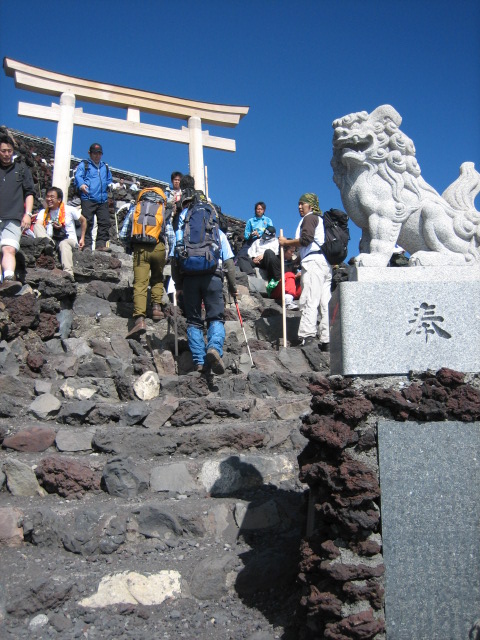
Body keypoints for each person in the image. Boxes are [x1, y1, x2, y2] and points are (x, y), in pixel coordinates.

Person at [171, 175, 237, 374]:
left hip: (189, 276)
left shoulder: (183, 223)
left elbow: (175, 256)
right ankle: (214, 349)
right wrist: (233, 288)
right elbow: (229, 263)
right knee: (215, 317)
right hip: (213, 276)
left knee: (193, 320)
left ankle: (199, 360)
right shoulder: (217, 229)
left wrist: (178, 284)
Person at [278, 193, 332, 350]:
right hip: (324, 264)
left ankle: (307, 336)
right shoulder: (320, 221)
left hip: (313, 263)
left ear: (311, 205)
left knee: (309, 299)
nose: (299, 207)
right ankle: (326, 339)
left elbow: (306, 240)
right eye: (299, 204)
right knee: (324, 302)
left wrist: (286, 242)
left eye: (303, 203)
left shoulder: (310, 218)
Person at [0, 133, 35, 295]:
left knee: (9, 248)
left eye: (9, 151)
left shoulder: (21, 169)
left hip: (13, 216)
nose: (6, 154)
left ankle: (8, 279)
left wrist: (27, 213)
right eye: (3, 151)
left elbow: (29, 192)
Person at [34, 186, 86, 280]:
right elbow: (38, 225)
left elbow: (83, 220)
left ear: (59, 199)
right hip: (52, 240)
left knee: (64, 243)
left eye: (52, 197)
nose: (49, 199)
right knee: (37, 226)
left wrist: (82, 238)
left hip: (69, 240)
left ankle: (68, 274)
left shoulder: (69, 209)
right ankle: (48, 244)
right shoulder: (43, 212)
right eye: (47, 196)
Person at [74, 143, 113, 251]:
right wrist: (81, 185)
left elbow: (109, 179)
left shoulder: (104, 166)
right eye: (95, 153)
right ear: (89, 153)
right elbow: (78, 176)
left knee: (104, 222)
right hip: (88, 198)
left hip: (102, 199)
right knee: (87, 221)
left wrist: (109, 185)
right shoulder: (85, 165)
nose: (97, 155)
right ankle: (86, 245)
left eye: (99, 153)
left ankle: (101, 245)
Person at [262, 244, 301, 310]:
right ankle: (288, 303)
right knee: (289, 274)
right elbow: (278, 277)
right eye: (291, 251)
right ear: (283, 250)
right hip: (276, 290)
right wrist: (295, 276)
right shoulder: (274, 260)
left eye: (293, 252)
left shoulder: (291, 263)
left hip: (291, 291)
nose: (292, 254)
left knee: (305, 279)